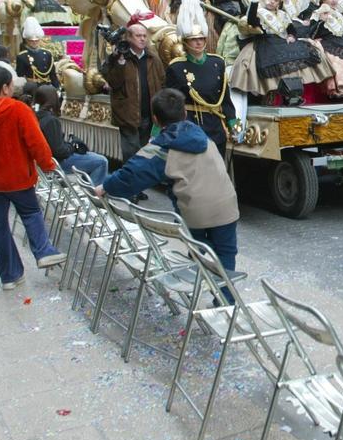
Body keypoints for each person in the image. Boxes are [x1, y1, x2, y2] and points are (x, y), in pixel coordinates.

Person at [99, 88, 240, 291]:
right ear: (185, 114)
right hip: (227, 206)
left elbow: (130, 176)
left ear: (155, 119)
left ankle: (204, 298)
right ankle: (226, 303)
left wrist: (105, 186)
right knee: (226, 255)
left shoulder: (162, 147)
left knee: (199, 254)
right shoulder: (202, 135)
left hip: (194, 214)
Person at [0, 67, 66, 289]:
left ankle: (10, 276)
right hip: (16, 174)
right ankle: (43, 251)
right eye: (11, 85)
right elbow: (36, 142)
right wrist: (48, 165)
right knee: (30, 212)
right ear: (4, 87)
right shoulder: (17, 109)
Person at [165, 0, 238, 155]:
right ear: (185, 42)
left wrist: (235, 126)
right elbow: (168, 102)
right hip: (190, 125)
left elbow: (225, 100)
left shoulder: (217, 62)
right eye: (193, 40)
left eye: (201, 39)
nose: (198, 43)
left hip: (215, 126)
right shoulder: (176, 67)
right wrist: (157, 132)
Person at [105, 18, 164, 160]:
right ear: (129, 38)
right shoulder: (118, 57)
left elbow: (162, 81)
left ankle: (144, 181)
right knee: (131, 154)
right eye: (138, 36)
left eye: (144, 36)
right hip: (127, 114)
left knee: (147, 153)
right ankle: (131, 181)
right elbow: (113, 83)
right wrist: (119, 62)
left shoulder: (153, 58)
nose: (142, 39)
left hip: (149, 115)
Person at [35, 85, 108, 185]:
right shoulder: (50, 121)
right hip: (57, 162)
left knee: (93, 157)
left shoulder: (34, 116)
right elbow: (59, 151)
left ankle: (87, 188)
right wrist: (73, 146)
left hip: (42, 162)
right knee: (101, 161)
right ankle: (93, 195)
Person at [15, 17, 59, 88]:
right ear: (26, 40)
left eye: (37, 40)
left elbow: (52, 74)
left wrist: (57, 88)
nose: (34, 42)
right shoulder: (22, 57)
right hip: (31, 87)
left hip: (46, 86)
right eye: (31, 41)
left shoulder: (47, 54)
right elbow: (20, 77)